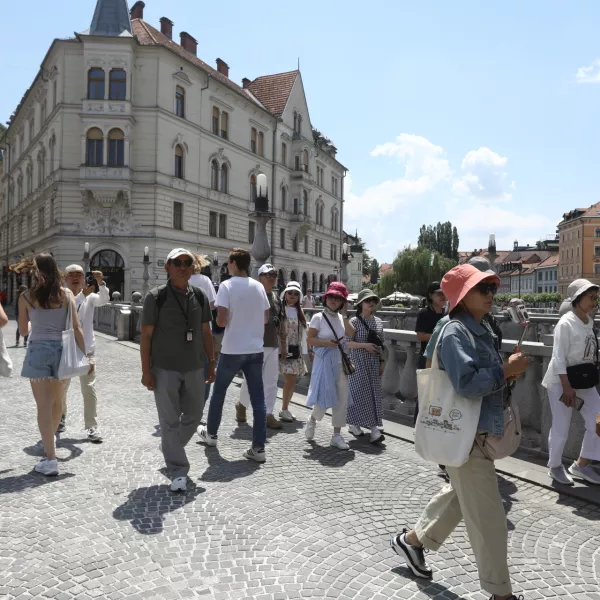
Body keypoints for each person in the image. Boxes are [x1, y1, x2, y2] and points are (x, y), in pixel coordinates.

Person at [391, 264, 529, 600]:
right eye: (484, 289)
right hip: (467, 434)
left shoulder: (480, 328)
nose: (491, 294)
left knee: (460, 496)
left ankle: (411, 542)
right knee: (490, 520)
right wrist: (504, 370)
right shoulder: (455, 332)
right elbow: (467, 384)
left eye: (492, 288)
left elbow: (482, 379)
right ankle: (502, 595)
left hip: (474, 432)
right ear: (464, 296)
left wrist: (506, 373)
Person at [141, 248, 216, 492]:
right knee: (170, 421)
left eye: (187, 263)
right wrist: (146, 371)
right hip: (164, 368)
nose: (183, 266)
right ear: (168, 268)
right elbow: (146, 336)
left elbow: (206, 332)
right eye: (177, 263)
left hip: (195, 365)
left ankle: (169, 447)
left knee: (194, 416)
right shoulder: (156, 297)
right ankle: (178, 470)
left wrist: (211, 362)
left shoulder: (201, 296)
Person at [18, 253, 88, 476]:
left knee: (43, 406)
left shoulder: (26, 297)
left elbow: (23, 331)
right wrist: (86, 356)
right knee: (57, 403)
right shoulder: (67, 294)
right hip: (62, 352)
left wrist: (35, 321)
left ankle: (50, 458)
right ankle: (50, 450)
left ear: (36, 271)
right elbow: (77, 329)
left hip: (38, 351)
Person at [198, 248, 270, 463]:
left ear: (233, 263)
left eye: (229, 262)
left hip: (233, 348)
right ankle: (258, 448)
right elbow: (266, 318)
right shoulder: (258, 286)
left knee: (219, 392)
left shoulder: (227, 286)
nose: (227, 266)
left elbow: (220, 321)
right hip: (255, 348)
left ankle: (210, 435)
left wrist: (230, 321)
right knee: (259, 400)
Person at [542, 278, 600, 485]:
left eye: (595, 297)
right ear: (577, 299)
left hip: (584, 380)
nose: (594, 302)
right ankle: (555, 466)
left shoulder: (588, 320)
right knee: (561, 426)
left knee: (598, 422)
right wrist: (566, 388)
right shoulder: (565, 323)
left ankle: (581, 465)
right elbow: (558, 358)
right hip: (561, 381)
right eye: (590, 297)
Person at [60, 265, 109, 441]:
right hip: (65, 349)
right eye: (71, 274)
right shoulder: (61, 295)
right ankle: (60, 417)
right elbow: (68, 312)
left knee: (89, 388)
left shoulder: (90, 297)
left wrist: (101, 282)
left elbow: (104, 299)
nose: (75, 278)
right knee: (61, 388)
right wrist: (83, 295)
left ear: (83, 278)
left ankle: (91, 426)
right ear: (65, 278)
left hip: (87, 349)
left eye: (79, 275)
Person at [305, 282, 355, 450]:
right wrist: (327, 343)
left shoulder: (342, 318)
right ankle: (312, 420)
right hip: (324, 361)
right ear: (326, 299)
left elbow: (351, 333)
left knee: (341, 397)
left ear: (342, 302)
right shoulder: (318, 317)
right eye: (331, 297)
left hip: (340, 361)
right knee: (323, 395)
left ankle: (337, 434)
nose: (334, 301)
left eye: (338, 298)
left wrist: (345, 314)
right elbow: (309, 340)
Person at [237, 264, 283, 428]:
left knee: (272, 381)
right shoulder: (253, 295)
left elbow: (280, 322)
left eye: (274, 274)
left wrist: (282, 344)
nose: (271, 277)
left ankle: (268, 414)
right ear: (260, 277)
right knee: (252, 379)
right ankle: (242, 404)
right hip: (256, 344)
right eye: (267, 274)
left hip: (273, 343)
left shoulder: (277, 298)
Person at [346, 289, 385, 443]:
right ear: (361, 303)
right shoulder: (354, 321)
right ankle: (372, 428)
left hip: (373, 362)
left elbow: (382, 344)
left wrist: (383, 361)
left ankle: (361, 425)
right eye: (368, 301)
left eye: (373, 301)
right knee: (359, 394)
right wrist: (365, 346)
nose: (371, 304)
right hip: (358, 361)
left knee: (373, 393)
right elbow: (347, 343)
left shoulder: (378, 322)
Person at [278, 281, 308, 423]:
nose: (293, 295)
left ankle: (285, 408)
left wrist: (305, 350)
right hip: (281, 349)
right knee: (289, 380)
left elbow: (304, 332)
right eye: (290, 292)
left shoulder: (299, 311)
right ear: (285, 294)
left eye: (296, 293)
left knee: (292, 381)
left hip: (294, 350)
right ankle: (283, 409)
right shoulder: (280, 309)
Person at [189, 254, 217, 402]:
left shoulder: (181, 279)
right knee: (206, 369)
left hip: (184, 331)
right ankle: (199, 406)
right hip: (205, 330)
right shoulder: (205, 280)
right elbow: (213, 305)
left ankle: (184, 406)